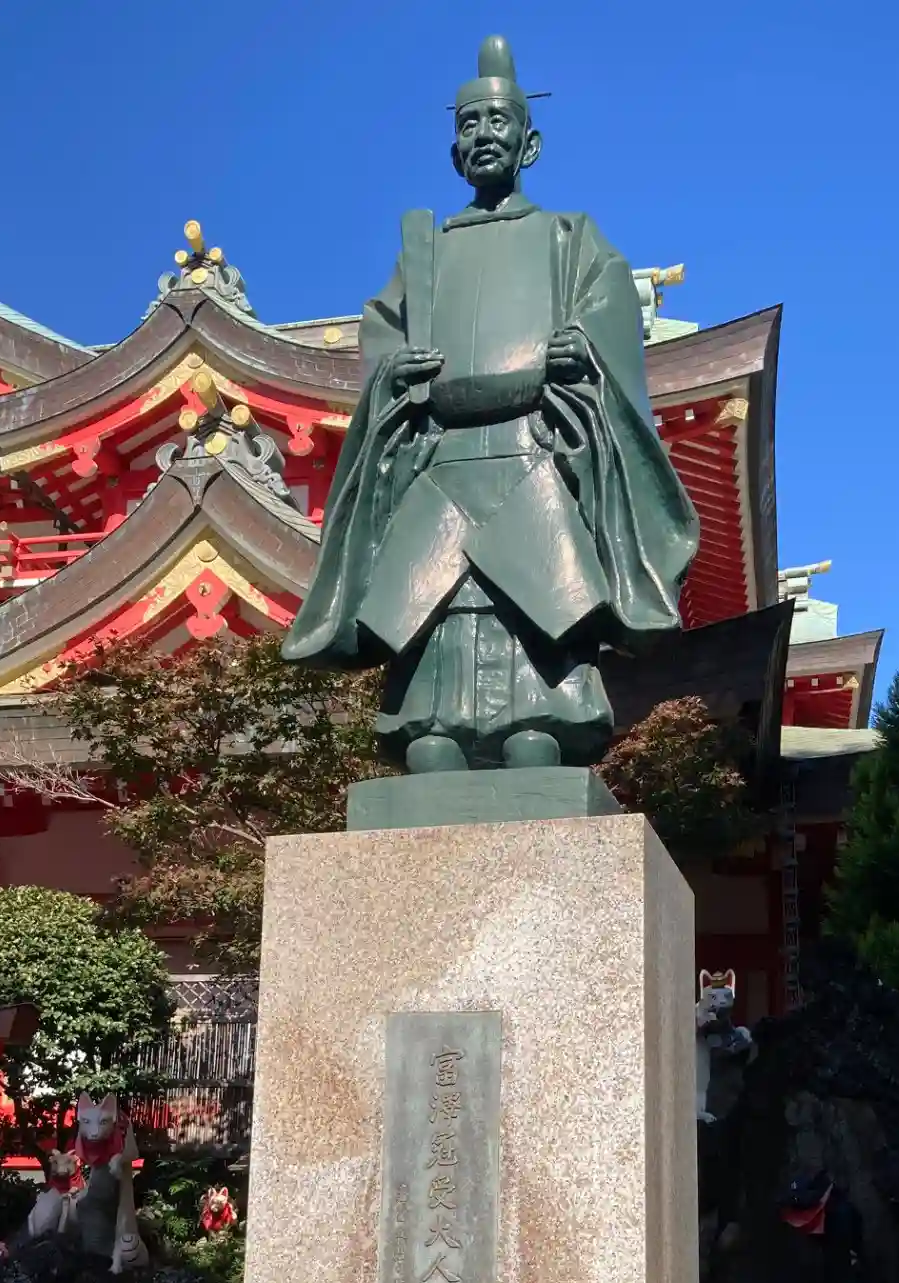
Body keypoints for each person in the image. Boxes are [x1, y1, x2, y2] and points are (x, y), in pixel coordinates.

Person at [282, 35, 700, 773]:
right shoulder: (426, 254)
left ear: (529, 144)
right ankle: (430, 727)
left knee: (534, 600)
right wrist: (396, 372)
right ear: (454, 152)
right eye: (469, 125)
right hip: (442, 459)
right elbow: (383, 342)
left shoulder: (570, 239)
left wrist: (580, 351)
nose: (483, 136)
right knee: (437, 603)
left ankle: (540, 721)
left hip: (532, 450)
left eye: (498, 122)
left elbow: (606, 322)